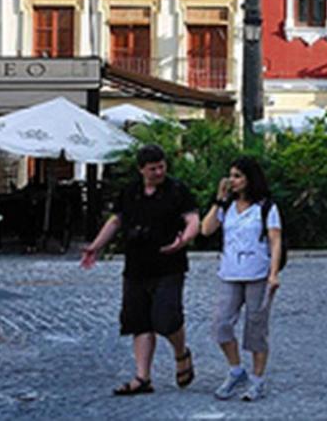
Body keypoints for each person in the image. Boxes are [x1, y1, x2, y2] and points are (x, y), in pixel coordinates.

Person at [81, 144, 200, 396]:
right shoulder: (130, 192)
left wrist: (184, 240)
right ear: (141, 170)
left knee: (167, 319)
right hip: (136, 266)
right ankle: (142, 377)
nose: (158, 172)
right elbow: (116, 221)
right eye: (152, 168)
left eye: (161, 166)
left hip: (169, 264)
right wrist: (96, 246)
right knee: (139, 321)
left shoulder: (176, 190)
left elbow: (193, 220)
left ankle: (181, 353)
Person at [201, 157, 283, 402]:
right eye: (231, 176)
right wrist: (218, 199)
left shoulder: (266, 207)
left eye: (237, 176)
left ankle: (257, 380)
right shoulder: (227, 207)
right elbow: (206, 230)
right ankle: (236, 369)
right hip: (230, 273)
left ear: (250, 178)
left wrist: (274, 273)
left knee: (256, 328)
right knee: (221, 324)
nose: (232, 180)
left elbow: (275, 240)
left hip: (257, 274)